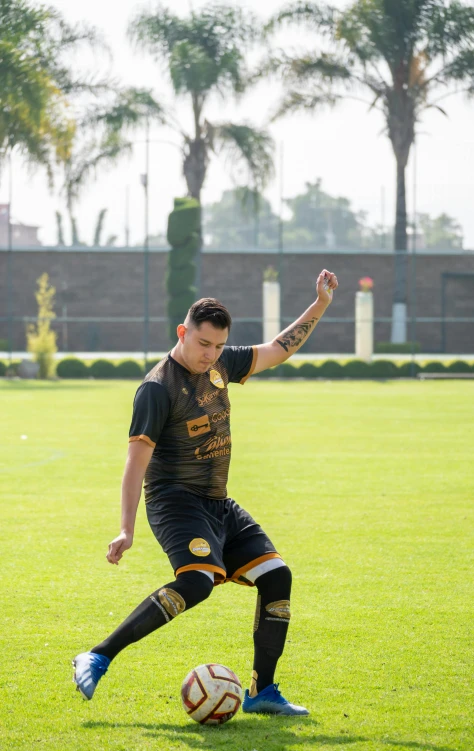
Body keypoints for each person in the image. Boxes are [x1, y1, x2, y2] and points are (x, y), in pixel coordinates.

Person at [73, 268, 339, 715]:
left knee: (277, 576)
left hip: (218, 503)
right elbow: (135, 465)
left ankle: (262, 692)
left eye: (218, 346)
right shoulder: (157, 389)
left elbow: (277, 351)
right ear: (183, 332)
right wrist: (125, 529)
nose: (210, 354)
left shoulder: (220, 364)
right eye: (203, 344)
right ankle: (98, 655)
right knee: (197, 583)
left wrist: (321, 305)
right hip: (175, 503)